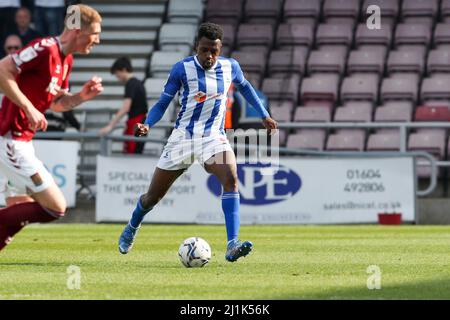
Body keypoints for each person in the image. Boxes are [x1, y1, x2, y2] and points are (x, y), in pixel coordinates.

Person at [118, 22, 278, 262]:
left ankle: (232, 243)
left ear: (220, 48)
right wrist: (148, 123)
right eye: (204, 50)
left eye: (214, 50)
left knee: (231, 179)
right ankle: (132, 226)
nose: (209, 56)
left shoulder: (230, 67)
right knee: (152, 197)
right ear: (196, 47)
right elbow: (163, 102)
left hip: (213, 138)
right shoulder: (181, 69)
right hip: (183, 138)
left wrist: (264, 114)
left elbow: (246, 88)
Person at [0, 4, 103, 252]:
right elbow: (3, 69)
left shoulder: (66, 61)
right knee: (55, 206)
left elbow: (57, 105)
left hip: (23, 141)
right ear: (77, 30)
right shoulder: (44, 48)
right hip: (10, 139)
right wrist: (28, 108)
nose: (97, 41)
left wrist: (81, 97)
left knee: (19, 205)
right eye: (95, 34)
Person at [99, 57, 148, 154]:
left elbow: (126, 107)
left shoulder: (131, 84)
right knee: (137, 152)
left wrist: (110, 126)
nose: (117, 77)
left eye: (117, 73)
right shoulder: (138, 83)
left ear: (124, 69)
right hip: (142, 122)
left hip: (136, 123)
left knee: (132, 154)